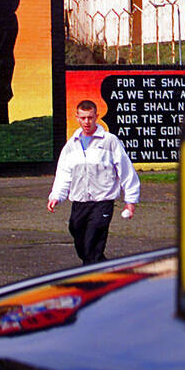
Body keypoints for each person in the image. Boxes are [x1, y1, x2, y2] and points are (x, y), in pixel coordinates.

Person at [47, 100, 140, 264]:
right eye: (83, 118)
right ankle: (99, 267)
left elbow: (126, 170)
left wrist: (130, 202)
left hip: (102, 201)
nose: (86, 122)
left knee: (93, 238)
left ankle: (93, 278)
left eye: (90, 118)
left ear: (97, 117)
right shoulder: (71, 145)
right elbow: (64, 173)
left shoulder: (109, 141)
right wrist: (56, 196)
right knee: (76, 232)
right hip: (80, 202)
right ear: (77, 117)